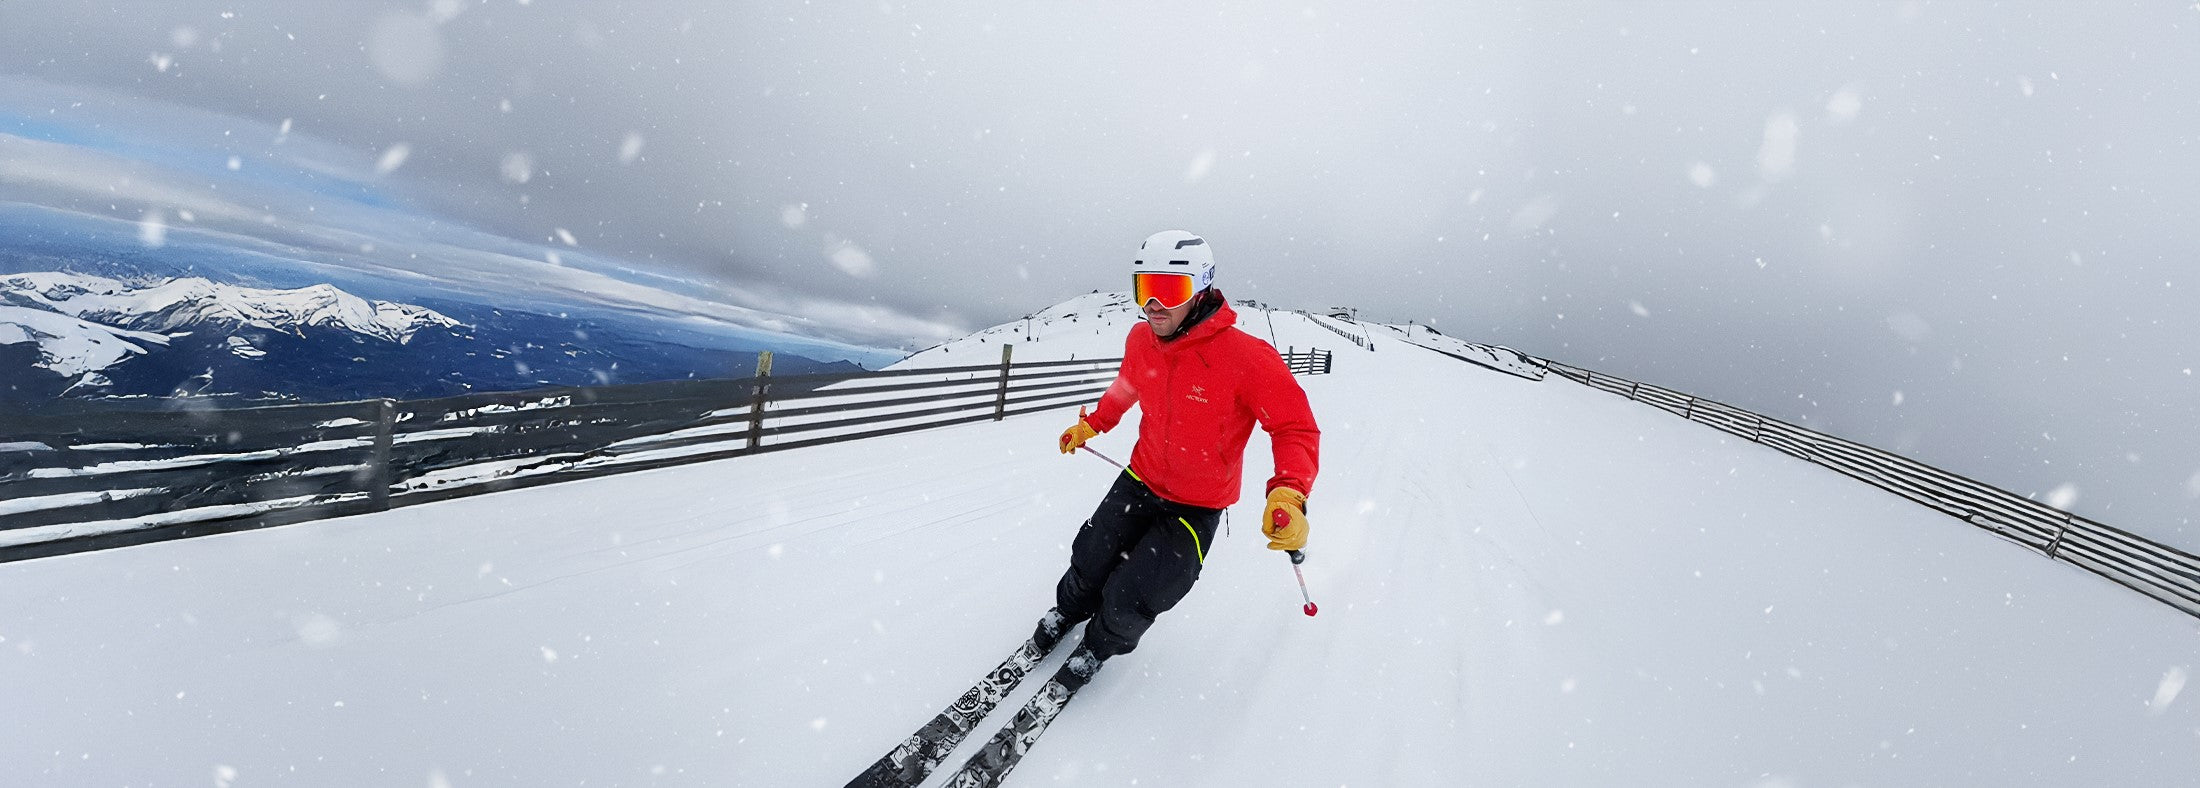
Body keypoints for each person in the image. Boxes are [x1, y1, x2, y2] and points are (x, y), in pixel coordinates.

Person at [1037, 229, 1322, 680]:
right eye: (1143, 288)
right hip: (1141, 478)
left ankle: (1099, 644)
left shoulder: (1247, 357)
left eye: (1168, 290)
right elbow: (1128, 386)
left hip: (1198, 502)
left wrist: (1288, 492)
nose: (1153, 305)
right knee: (1092, 555)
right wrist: (1093, 423)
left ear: (1201, 288)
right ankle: (1068, 611)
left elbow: (1294, 427)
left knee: (1141, 590)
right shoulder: (1140, 339)